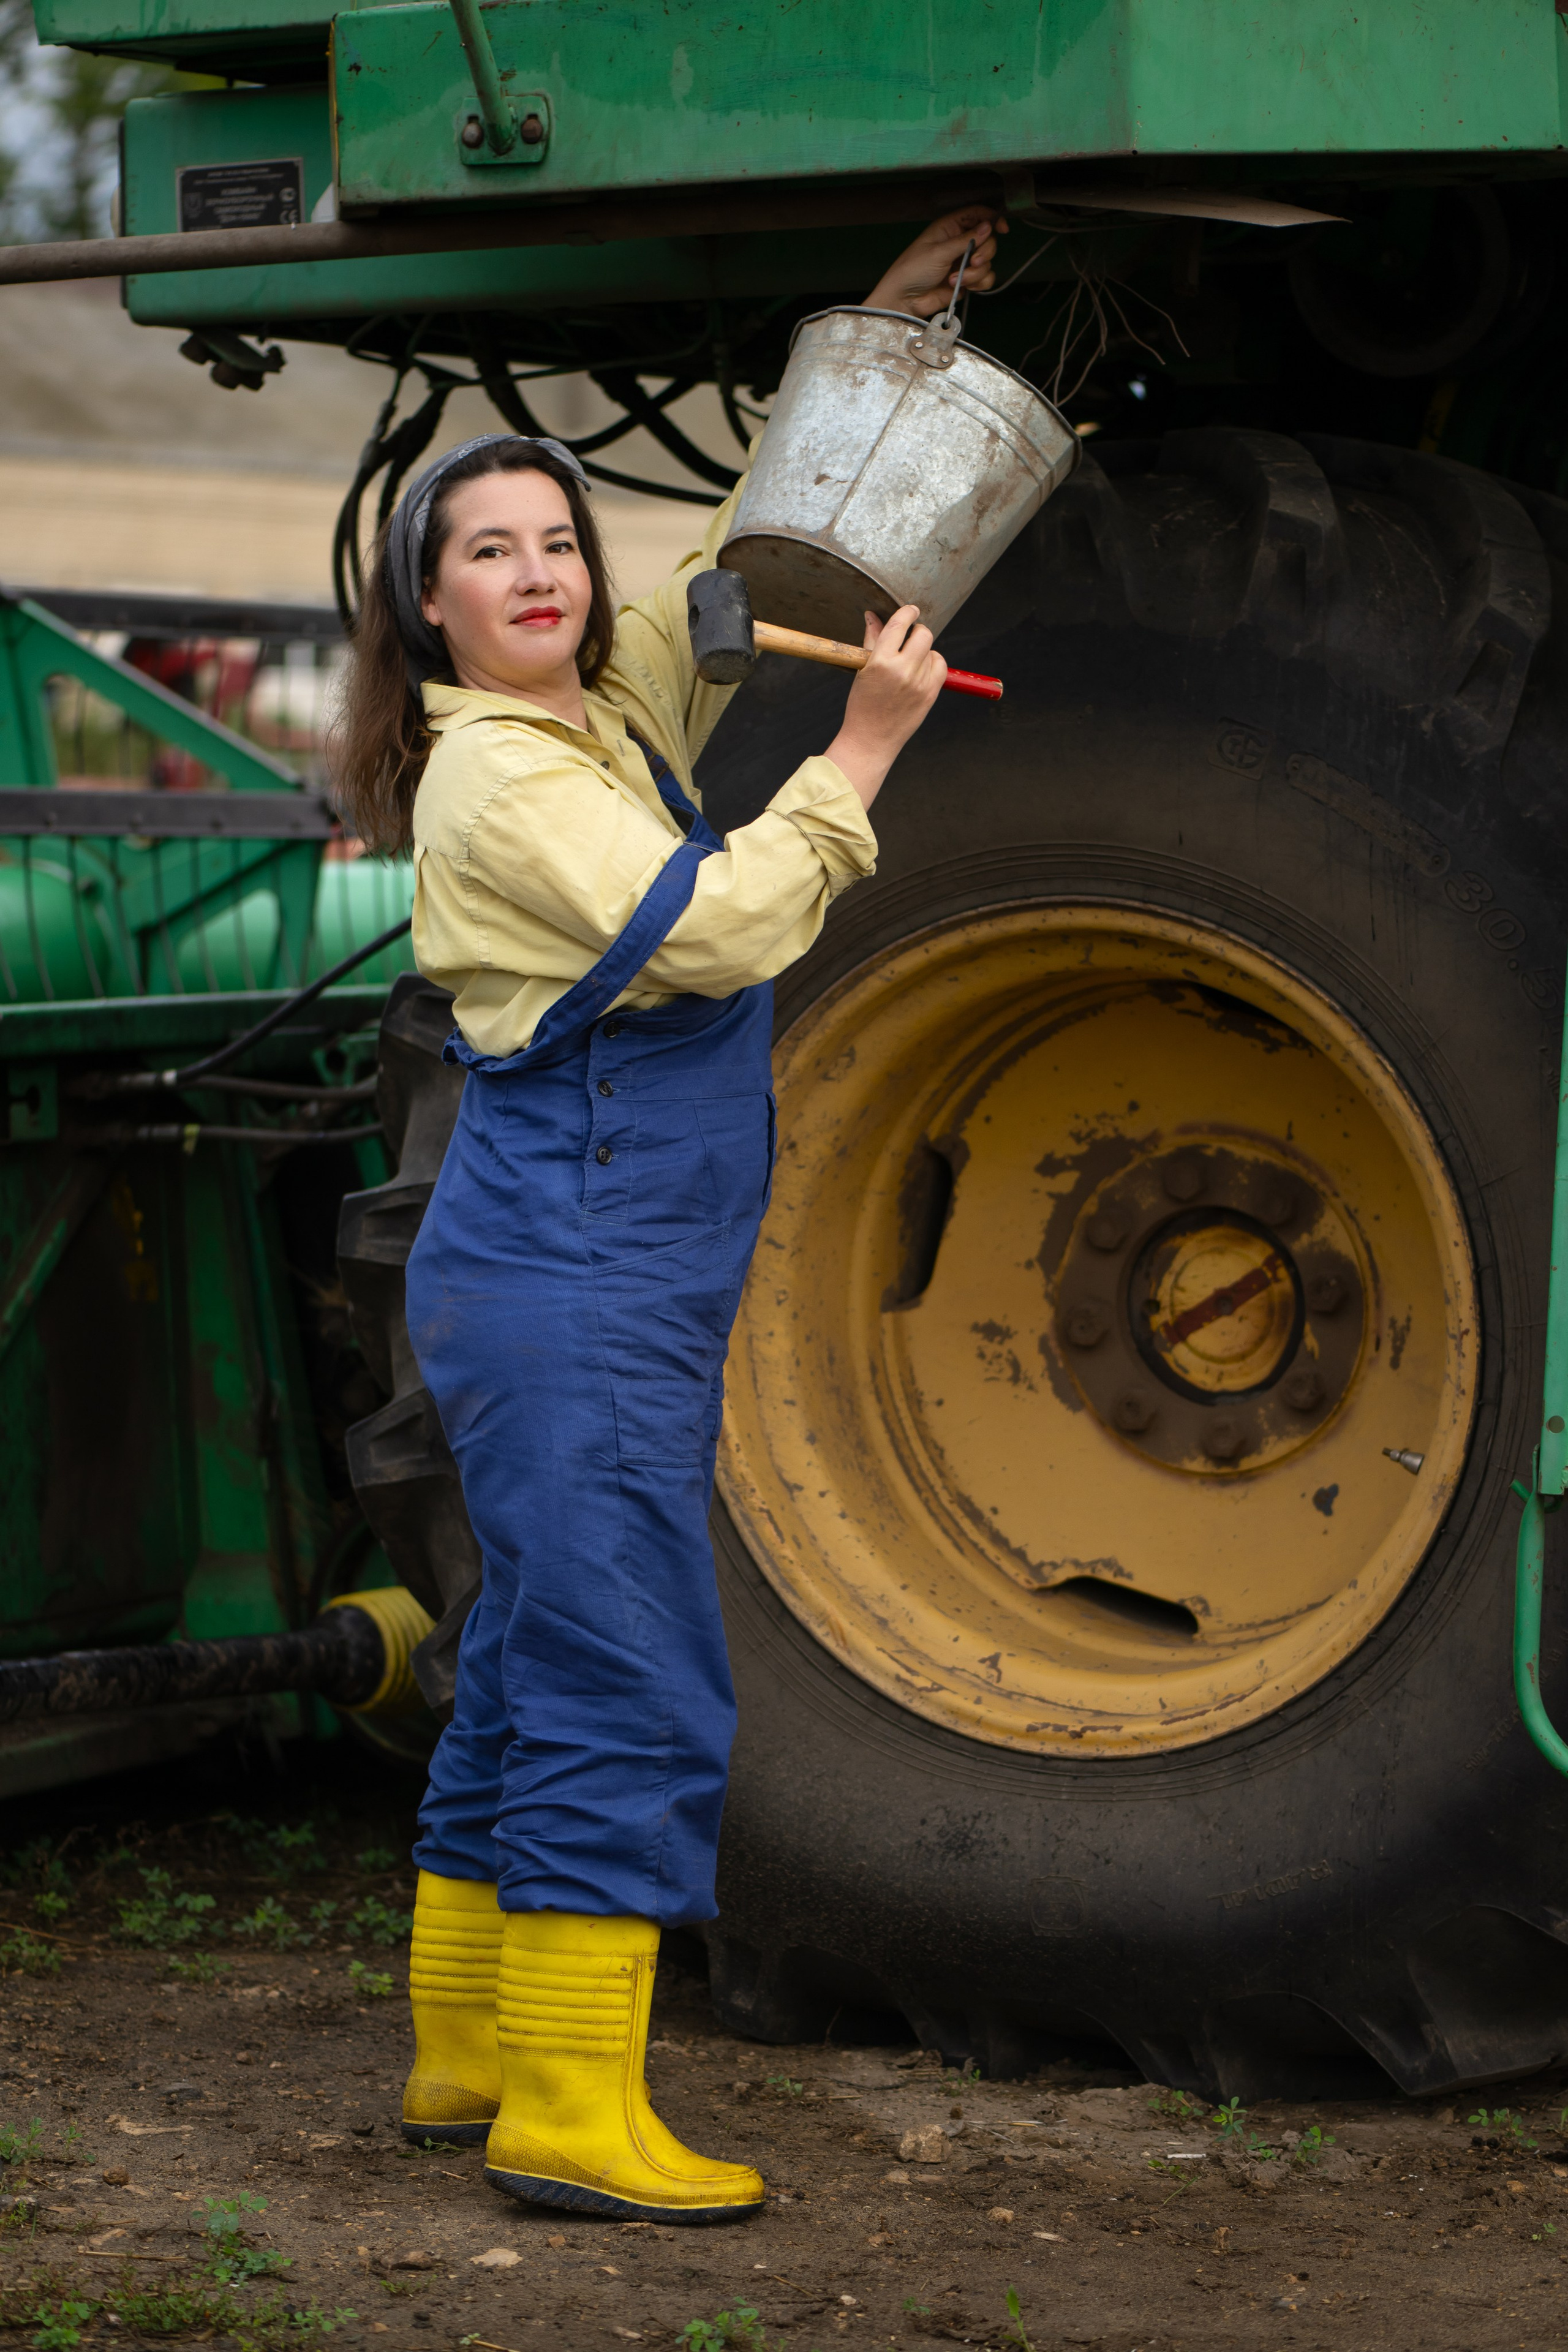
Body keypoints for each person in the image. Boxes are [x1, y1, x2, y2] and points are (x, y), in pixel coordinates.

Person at [331, 208, 1005, 2225]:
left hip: (575, 1256)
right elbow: (710, 936)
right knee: (631, 1669)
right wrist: (863, 752)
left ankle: (465, 2049)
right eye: (490, 556)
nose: (539, 576)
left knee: (537, 1647)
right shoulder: (497, 788)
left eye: (555, 545)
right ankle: (570, 2109)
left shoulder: (590, 710)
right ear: (428, 610)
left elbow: (719, 569)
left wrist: (866, 348)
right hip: (577, 1260)